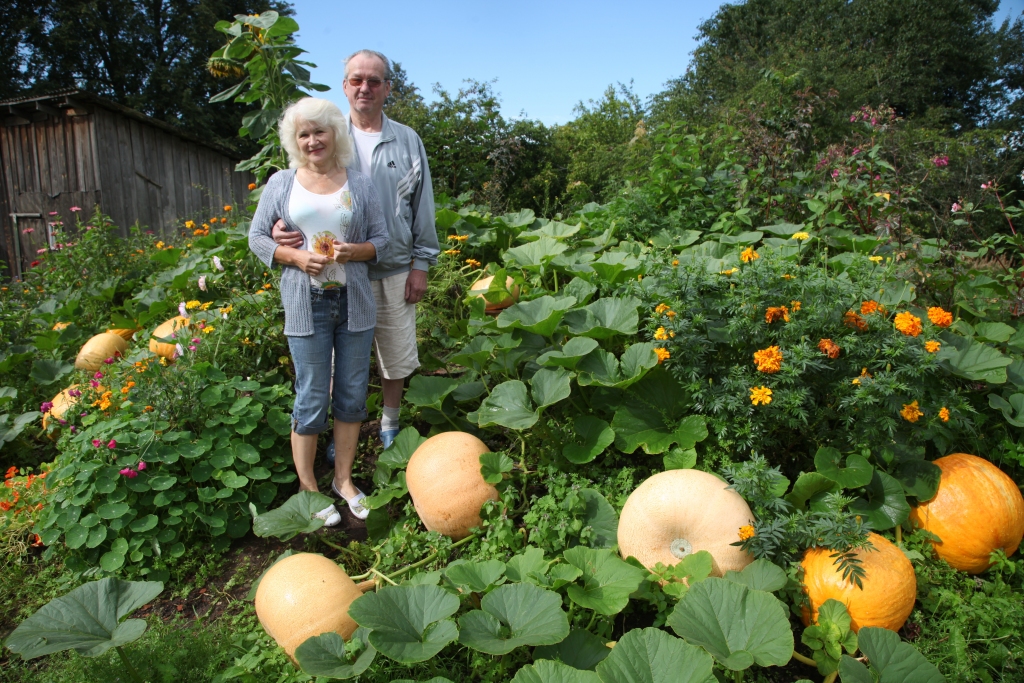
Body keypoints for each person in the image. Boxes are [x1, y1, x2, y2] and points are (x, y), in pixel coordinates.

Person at [273, 49, 439, 457]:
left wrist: (421, 264)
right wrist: (280, 228)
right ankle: (338, 436)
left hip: (393, 266)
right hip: (334, 277)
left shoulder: (406, 140)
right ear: (345, 86)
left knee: (395, 355)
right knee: (336, 365)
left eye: (375, 81)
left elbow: (423, 207)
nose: (365, 87)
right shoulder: (324, 132)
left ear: (387, 88)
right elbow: (297, 195)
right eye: (357, 80)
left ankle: (389, 424)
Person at [249, 97, 389, 525]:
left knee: (350, 396)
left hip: (354, 303)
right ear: (295, 142)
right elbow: (257, 238)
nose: (313, 140)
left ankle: (343, 482)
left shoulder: (360, 184)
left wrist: (355, 251)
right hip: (306, 303)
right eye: (303, 134)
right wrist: (294, 259)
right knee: (311, 396)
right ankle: (308, 490)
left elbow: (382, 241)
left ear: (335, 135)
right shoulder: (281, 183)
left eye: (320, 131)